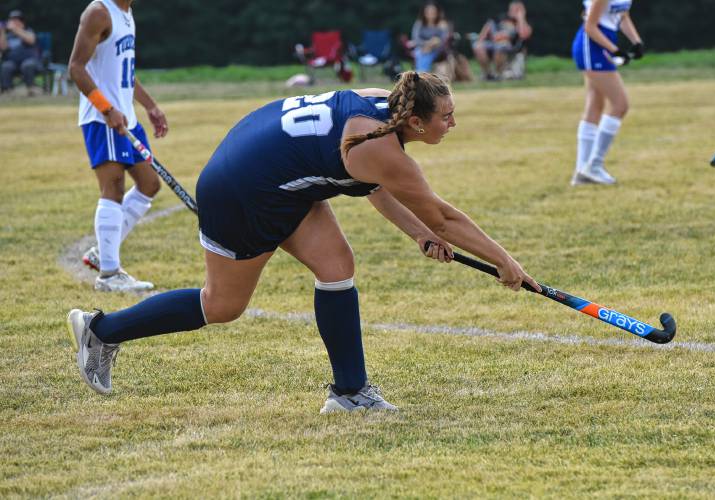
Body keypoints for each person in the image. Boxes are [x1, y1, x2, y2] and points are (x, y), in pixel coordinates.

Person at [66, 71, 543, 414]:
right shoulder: (381, 147)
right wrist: (505, 261)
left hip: (268, 162)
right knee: (223, 304)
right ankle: (101, 331)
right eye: (447, 116)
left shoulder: (383, 107)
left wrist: (417, 233)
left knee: (336, 265)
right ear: (415, 121)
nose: (452, 124)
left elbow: (376, 187)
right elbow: (442, 217)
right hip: (245, 189)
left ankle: (349, 391)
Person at [68, 0, 168, 291]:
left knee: (150, 185)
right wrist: (106, 108)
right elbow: (76, 67)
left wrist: (150, 106)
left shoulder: (127, 13)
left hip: (128, 116)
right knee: (113, 187)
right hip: (104, 119)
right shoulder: (99, 12)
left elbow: (124, 70)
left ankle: (102, 252)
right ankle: (109, 274)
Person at [569, 0, 643, 186]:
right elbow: (590, 27)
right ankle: (594, 165)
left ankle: (582, 171)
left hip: (603, 45)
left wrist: (636, 41)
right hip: (592, 46)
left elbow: (622, 14)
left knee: (595, 106)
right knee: (620, 105)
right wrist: (616, 50)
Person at [472, 2, 532, 81]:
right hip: (493, 43)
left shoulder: (523, 23)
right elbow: (488, 28)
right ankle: (488, 74)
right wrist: (481, 38)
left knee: (501, 45)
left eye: (518, 9)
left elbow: (523, 35)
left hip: (510, 46)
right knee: (478, 46)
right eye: (513, 9)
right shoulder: (501, 18)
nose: (514, 11)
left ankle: (498, 74)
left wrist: (520, 18)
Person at [0, 10, 42, 96]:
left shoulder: (28, 31)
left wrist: (16, 30)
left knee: (27, 65)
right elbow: (3, 47)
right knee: (6, 66)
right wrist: (2, 31)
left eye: (16, 20)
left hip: (30, 61)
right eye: (12, 20)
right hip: (14, 62)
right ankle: (7, 90)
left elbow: (31, 40)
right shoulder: (9, 35)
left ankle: (31, 89)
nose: (13, 22)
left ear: (22, 22)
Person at [409, 2, 449, 73]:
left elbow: (444, 41)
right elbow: (416, 39)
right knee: (422, 53)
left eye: (433, 12)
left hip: (437, 50)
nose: (430, 14)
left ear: (437, 13)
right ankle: (422, 73)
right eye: (428, 12)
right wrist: (427, 44)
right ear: (424, 13)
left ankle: (420, 74)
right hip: (421, 48)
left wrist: (431, 46)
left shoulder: (442, 24)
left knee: (425, 53)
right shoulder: (419, 24)